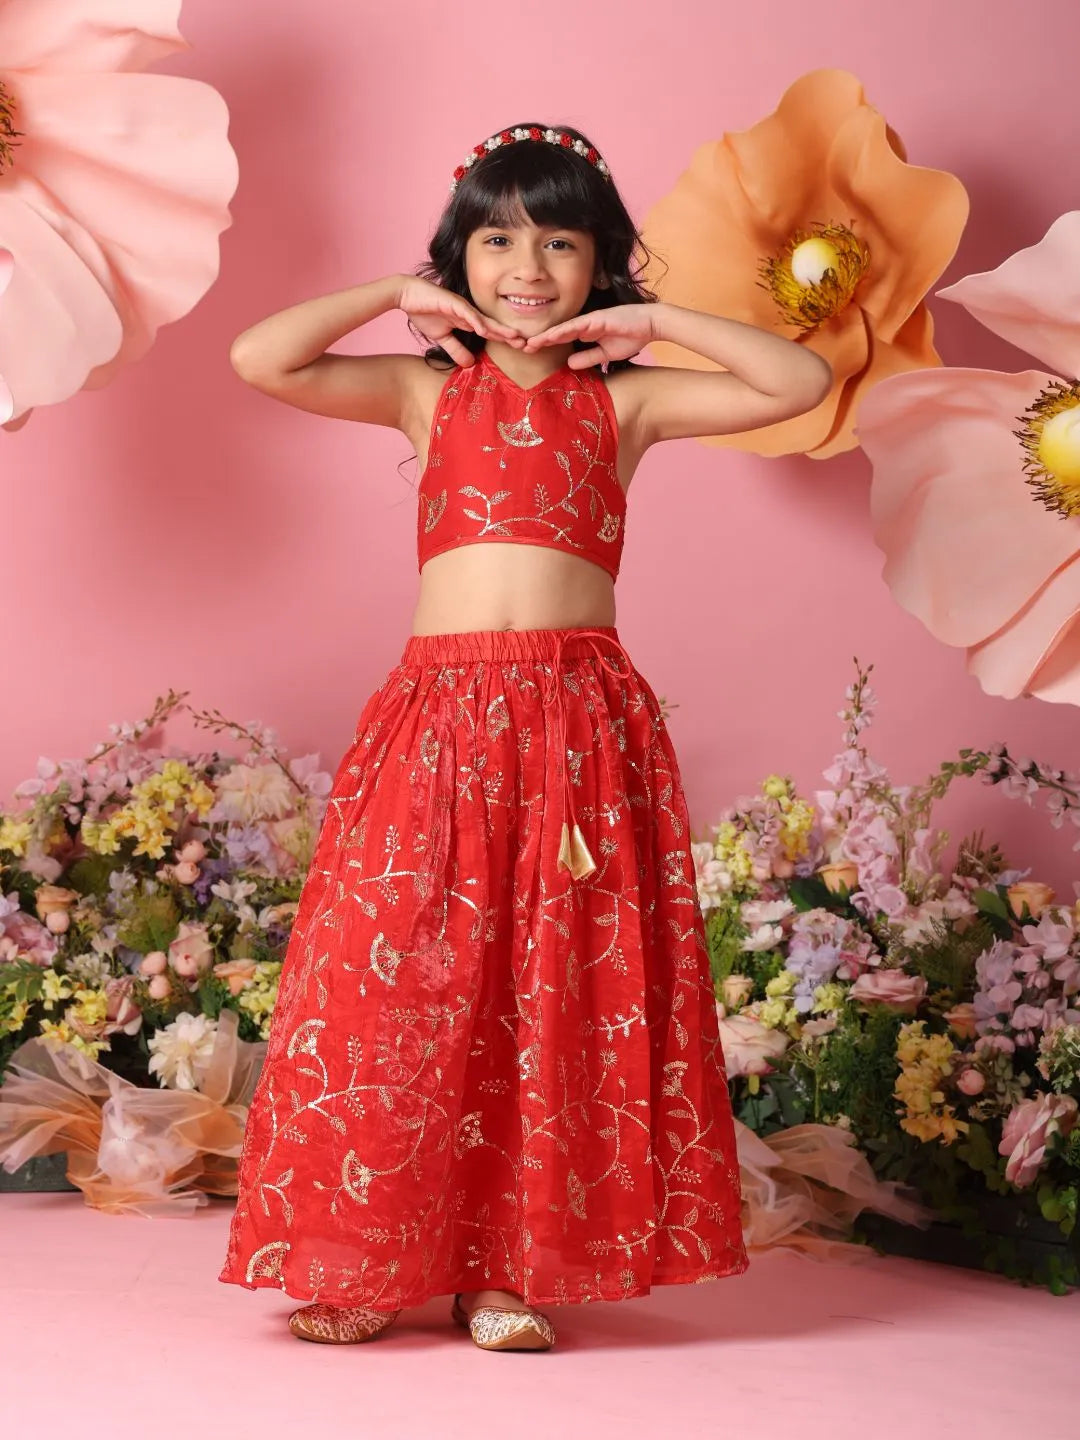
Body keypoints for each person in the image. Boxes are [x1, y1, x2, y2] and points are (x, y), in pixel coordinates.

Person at [217, 121, 832, 1352]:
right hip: (438, 716)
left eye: (560, 242)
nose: (527, 268)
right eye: (497, 240)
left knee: (549, 991)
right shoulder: (426, 391)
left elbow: (798, 384)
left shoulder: (626, 403)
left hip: (576, 720)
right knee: (399, 984)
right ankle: (368, 1261)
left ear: (599, 261)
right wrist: (395, 296)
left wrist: (655, 323)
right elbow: (258, 356)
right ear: (460, 257)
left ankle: (506, 1272)